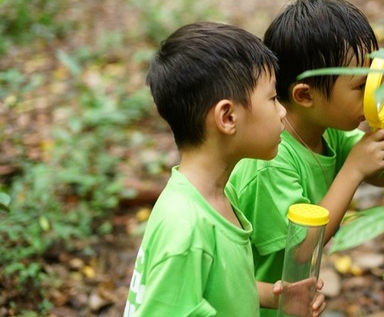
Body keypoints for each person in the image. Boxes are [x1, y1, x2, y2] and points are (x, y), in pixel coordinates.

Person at [124, 22, 326, 316]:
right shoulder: (186, 227)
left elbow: (214, 286)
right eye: (272, 99)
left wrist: (274, 296)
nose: (282, 111)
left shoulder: (215, 198)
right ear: (228, 117)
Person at [228, 0, 384, 316]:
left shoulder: (330, 127)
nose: (372, 93)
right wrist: (351, 170)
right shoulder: (270, 160)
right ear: (305, 95)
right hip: (253, 304)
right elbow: (302, 248)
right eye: (361, 87)